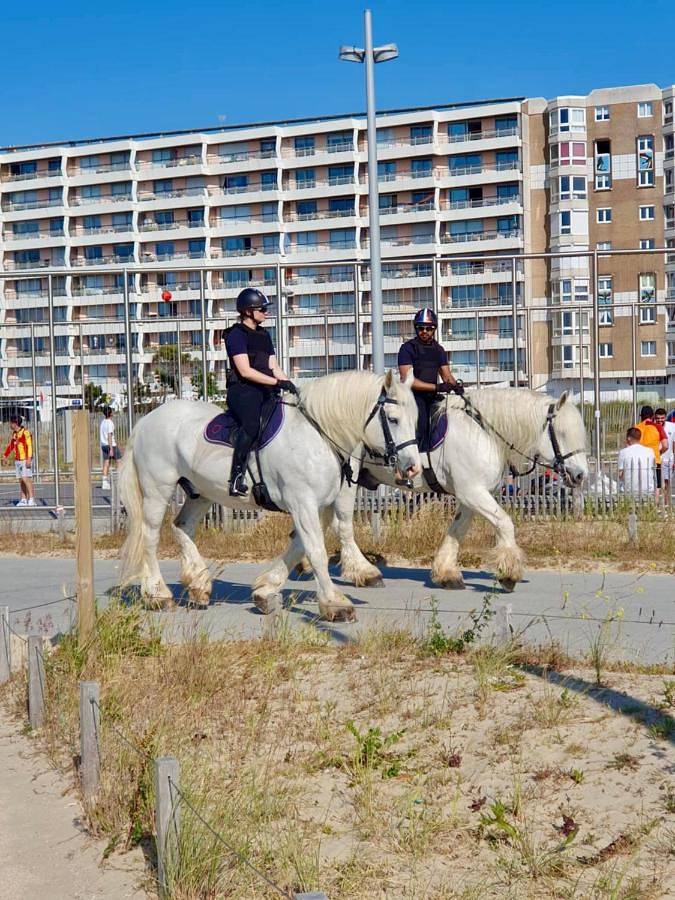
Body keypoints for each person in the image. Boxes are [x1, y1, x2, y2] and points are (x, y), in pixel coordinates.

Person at [225, 288, 296, 497]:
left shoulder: (264, 334)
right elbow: (245, 371)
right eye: (262, 309)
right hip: (243, 391)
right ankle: (236, 477)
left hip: (266, 388)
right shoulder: (235, 335)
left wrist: (289, 384)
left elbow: (273, 365)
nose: (266, 312)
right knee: (252, 425)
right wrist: (276, 382)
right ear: (248, 312)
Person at [397, 307, 464, 450]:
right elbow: (408, 379)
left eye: (429, 328)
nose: (425, 332)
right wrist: (437, 387)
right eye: (421, 328)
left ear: (434, 329)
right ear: (416, 328)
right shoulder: (407, 348)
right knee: (422, 425)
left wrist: (457, 387)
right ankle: (421, 460)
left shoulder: (438, 349)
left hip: (433, 396)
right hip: (413, 397)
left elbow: (446, 375)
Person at [634, 405, 668, 495]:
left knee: (641, 485)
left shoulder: (636, 428)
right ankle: (654, 507)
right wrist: (658, 453)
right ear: (653, 416)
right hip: (655, 460)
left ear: (641, 416)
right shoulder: (658, 427)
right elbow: (665, 446)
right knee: (657, 486)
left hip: (640, 461)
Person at [2, 415, 36, 506]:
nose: (10, 424)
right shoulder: (15, 434)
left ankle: (32, 499)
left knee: (26, 478)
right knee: (21, 480)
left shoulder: (26, 432)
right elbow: (11, 445)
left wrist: (29, 458)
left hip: (25, 459)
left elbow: (29, 446)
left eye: (11, 423)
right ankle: (24, 499)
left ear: (15, 423)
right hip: (17, 460)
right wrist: (5, 455)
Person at [618, 426, 656, 496]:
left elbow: (620, 474)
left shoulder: (623, 452)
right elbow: (653, 469)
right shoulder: (650, 451)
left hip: (629, 489)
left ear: (628, 438)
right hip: (648, 489)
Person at [654, 407, 675, 501]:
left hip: (668, 459)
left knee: (666, 483)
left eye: (662, 418)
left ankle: (666, 505)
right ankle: (656, 504)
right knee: (656, 484)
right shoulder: (652, 427)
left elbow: (674, 443)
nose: (660, 420)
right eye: (658, 418)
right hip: (655, 459)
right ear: (655, 417)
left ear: (665, 417)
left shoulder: (672, 426)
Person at [100, 406, 121, 490]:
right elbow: (109, 435)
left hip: (103, 445)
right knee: (119, 461)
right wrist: (111, 449)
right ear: (110, 413)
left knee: (106, 462)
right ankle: (120, 479)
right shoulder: (110, 423)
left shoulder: (103, 422)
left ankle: (104, 482)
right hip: (110, 445)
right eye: (112, 411)